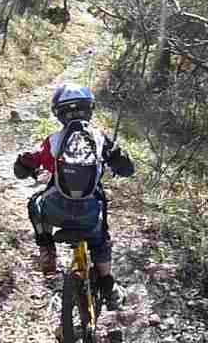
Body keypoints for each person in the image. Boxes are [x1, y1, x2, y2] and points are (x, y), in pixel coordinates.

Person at [13, 83, 134, 311]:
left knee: (34, 203)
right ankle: (107, 283)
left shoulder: (54, 141)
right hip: (89, 214)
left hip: (55, 210)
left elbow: (23, 168)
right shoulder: (100, 139)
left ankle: (47, 248)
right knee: (101, 238)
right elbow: (127, 169)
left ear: (58, 113)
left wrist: (25, 165)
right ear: (90, 109)